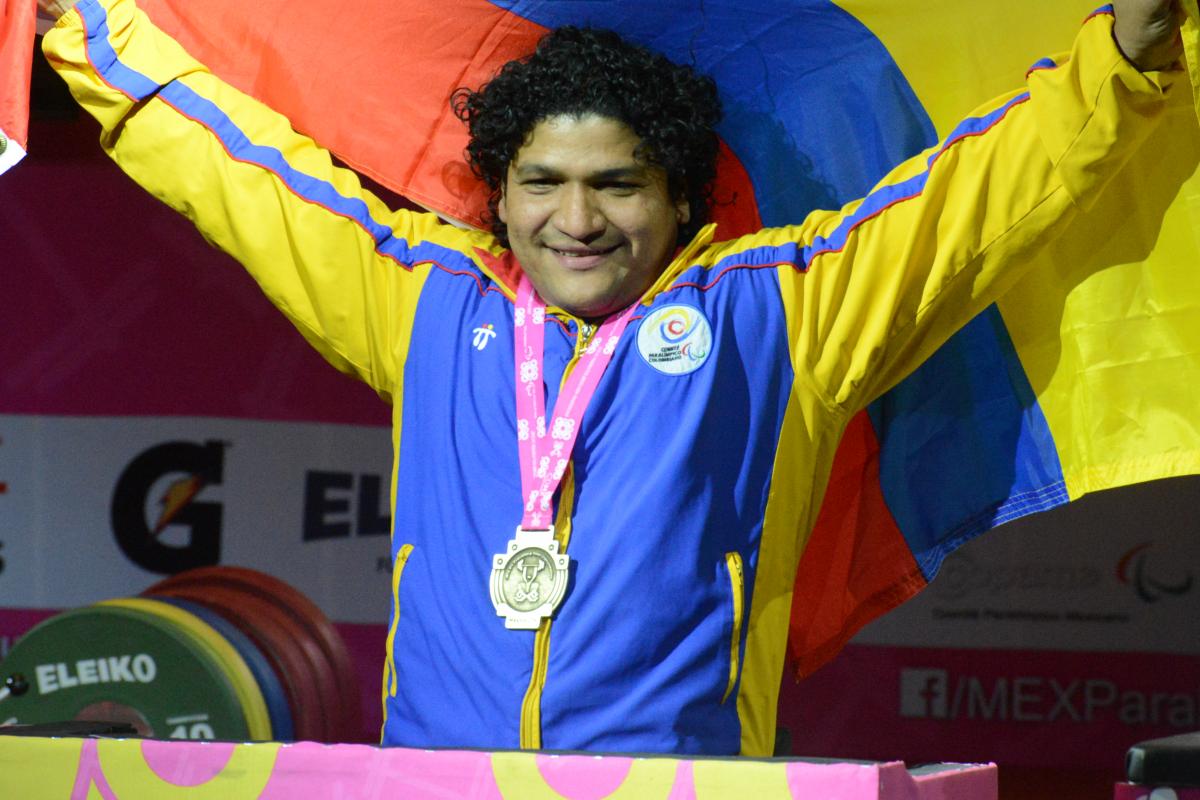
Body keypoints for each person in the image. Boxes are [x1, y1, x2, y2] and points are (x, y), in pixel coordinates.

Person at [38, 0, 1193, 755]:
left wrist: (1123, 62)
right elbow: (242, 175)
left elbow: (978, 200)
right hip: (436, 789)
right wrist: (86, 33)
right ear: (502, 194)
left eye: (617, 185)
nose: (575, 219)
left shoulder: (777, 312)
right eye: (542, 183)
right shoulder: (429, 300)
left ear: (681, 198)